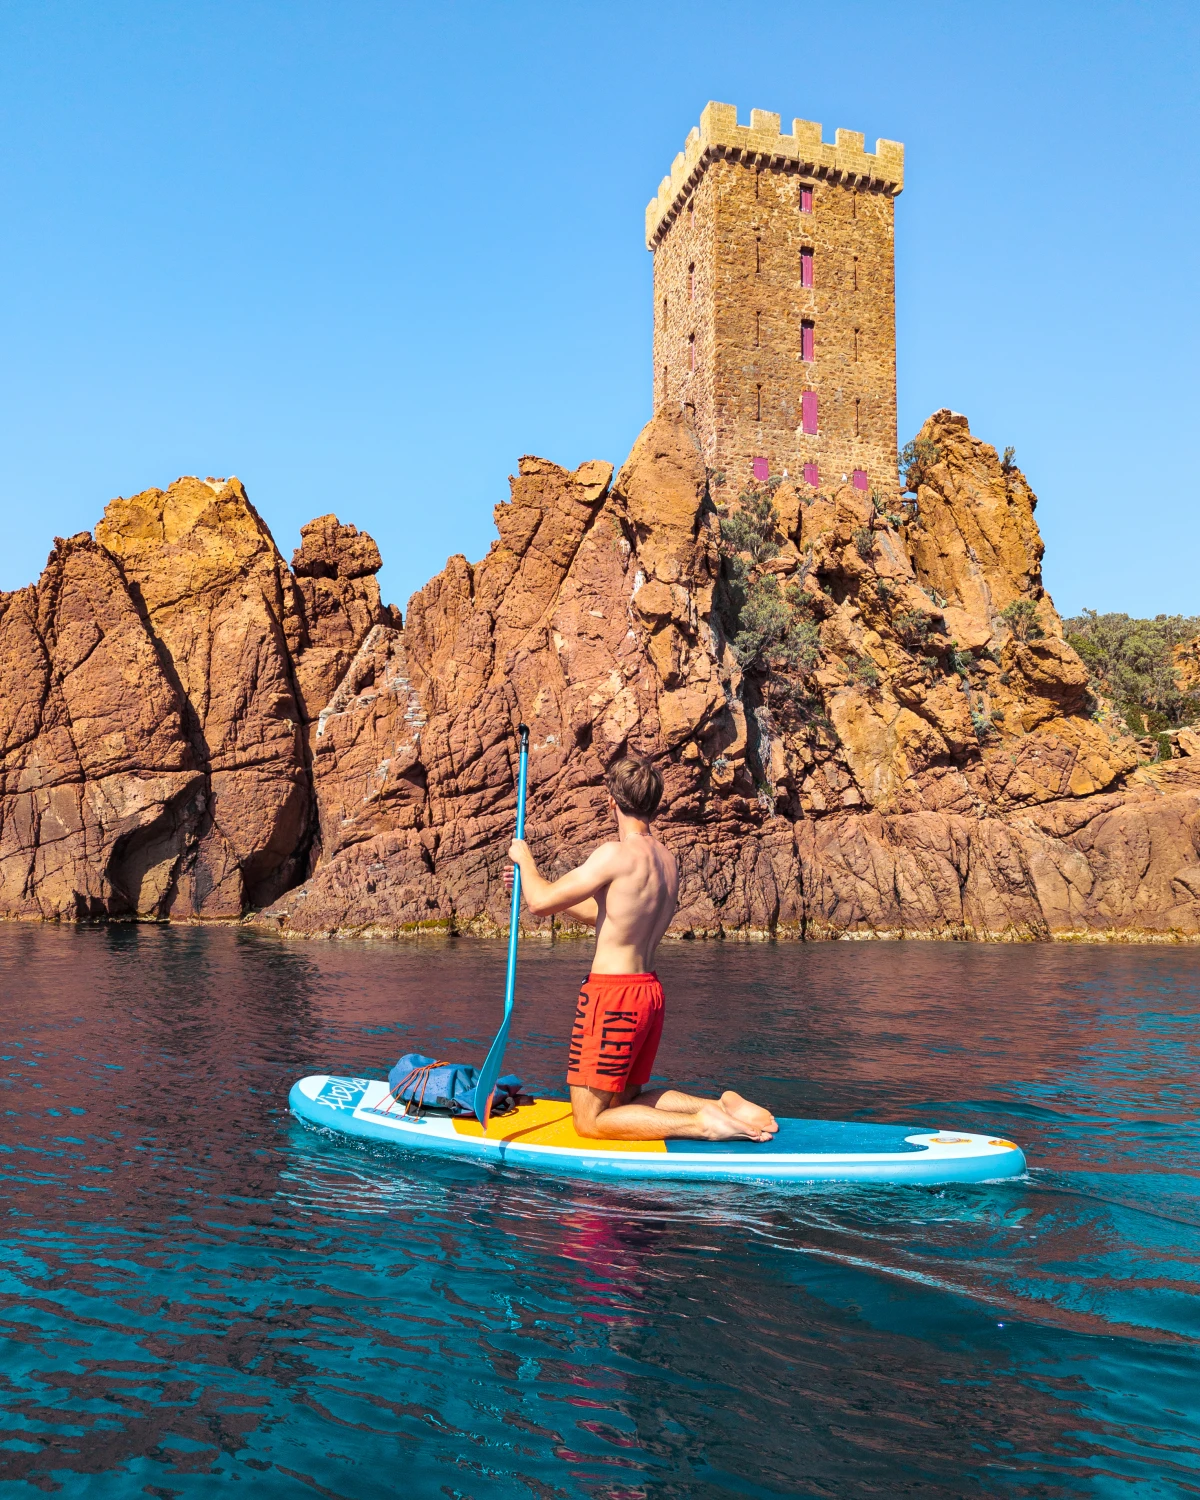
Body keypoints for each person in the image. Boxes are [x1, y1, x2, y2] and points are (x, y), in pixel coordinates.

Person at [506, 753, 778, 1144]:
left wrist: (524, 860)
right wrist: (532, 882)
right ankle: (721, 1104)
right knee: (625, 1100)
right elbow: (608, 916)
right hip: (648, 993)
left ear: (612, 801)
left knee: (590, 1121)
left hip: (612, 996)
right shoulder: (667, 862)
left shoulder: (615, 854)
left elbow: (538, 903)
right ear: (653, 803)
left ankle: (702, 1124)